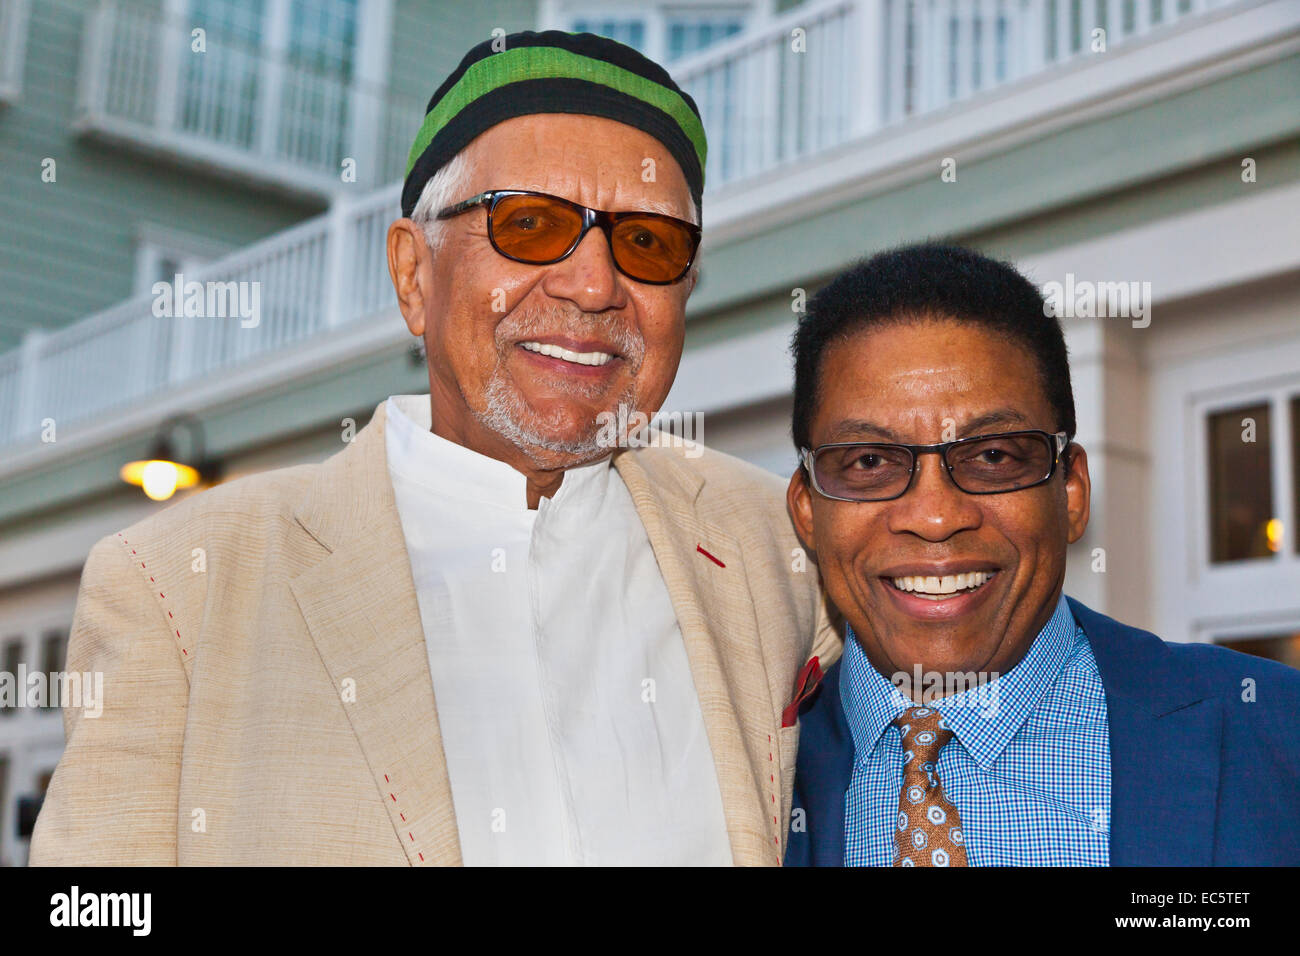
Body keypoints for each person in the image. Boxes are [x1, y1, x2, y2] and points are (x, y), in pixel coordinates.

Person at [30, 30, 836, 867]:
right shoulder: (181, 586)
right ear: (414, 275)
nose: (595, 285)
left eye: (648, 243)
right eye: (529, 223)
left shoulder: (780, 547)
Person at [783, 242, 1300, 866]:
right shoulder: (742, 774)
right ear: (808, 509)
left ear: (1072, 490)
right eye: (867, 461)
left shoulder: (1275, 733)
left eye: (994, 455)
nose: (936, 517)